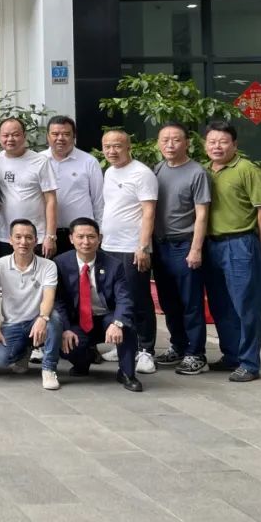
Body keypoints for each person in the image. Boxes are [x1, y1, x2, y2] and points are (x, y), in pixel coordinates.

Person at [202, 120, 261, 382]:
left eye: (223, 141)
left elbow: (260, 210)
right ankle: (232, 355)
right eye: (212, 141)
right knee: (220, 304)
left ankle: (250, 363)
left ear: (234, 145)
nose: (217, 146)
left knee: (245, 305)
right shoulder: (204, 170)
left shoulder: (247, 169)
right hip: (211, 244)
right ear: (205, 144)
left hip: (240, 243)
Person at [53, 217, 143, 392]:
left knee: (126, 325)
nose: (86, 242)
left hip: (106, 317)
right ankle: (83, 361)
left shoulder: (114, 265)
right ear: (71, 238)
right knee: (66, 343)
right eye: (80, 237)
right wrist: (65, 328)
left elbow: (124, 298)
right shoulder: (60, 263)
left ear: (99, 238)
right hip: (77, 320)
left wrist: (117, 323)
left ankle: (127, 373)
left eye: (91, 237)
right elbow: (58, 300)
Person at [152, 121, 210, 376]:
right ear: (158, 144)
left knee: (190, 302)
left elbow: (202, 214)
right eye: (165, 140)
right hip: (160, 245)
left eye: (176, 139)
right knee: (169, 301)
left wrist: (196, 249)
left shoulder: (197, 172)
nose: (170, 144)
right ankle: (178, 346)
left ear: (187, 143)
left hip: (184, 244)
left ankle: (196, 353)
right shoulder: (158, 169)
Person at [100, 130, 159, 375]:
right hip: (109, 246)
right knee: (116, 298)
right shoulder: (109, 172)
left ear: (128, 147)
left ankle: (146, 350)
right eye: (107, 146)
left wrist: (143, 247)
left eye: (117, 146)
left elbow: (149, 212)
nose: (112, 151)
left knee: (138, 298)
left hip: (132, 248)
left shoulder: (141, 173)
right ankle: (126, 344)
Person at [0, 219, 62, 390]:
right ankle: (24, 352)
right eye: (18, 237)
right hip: (12, 324)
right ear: (10, 240)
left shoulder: (48, 265)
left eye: (29, 237)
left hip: (38, 319)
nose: (23, 242)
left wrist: (42, 318)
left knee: (54, 319)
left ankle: (49, 369)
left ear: (36, 240)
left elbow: (49, 297)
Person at [0, 118, 57, 259]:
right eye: (5, 135)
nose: (10, 139)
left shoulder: (40, 161)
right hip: (6, 236)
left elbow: (51, 200)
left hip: (35, 237)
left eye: (15, 134)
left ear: (24, 136)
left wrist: (50, 236)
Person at [41, 116, 104, 254]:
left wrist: (99, 231)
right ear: (48, 136)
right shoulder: (38, 160)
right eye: (55, 134)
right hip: (46, 235)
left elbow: (98, 200)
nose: (60, 138)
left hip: (81, 236)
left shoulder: (89, 162)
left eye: (66, 134)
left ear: (74, 136)